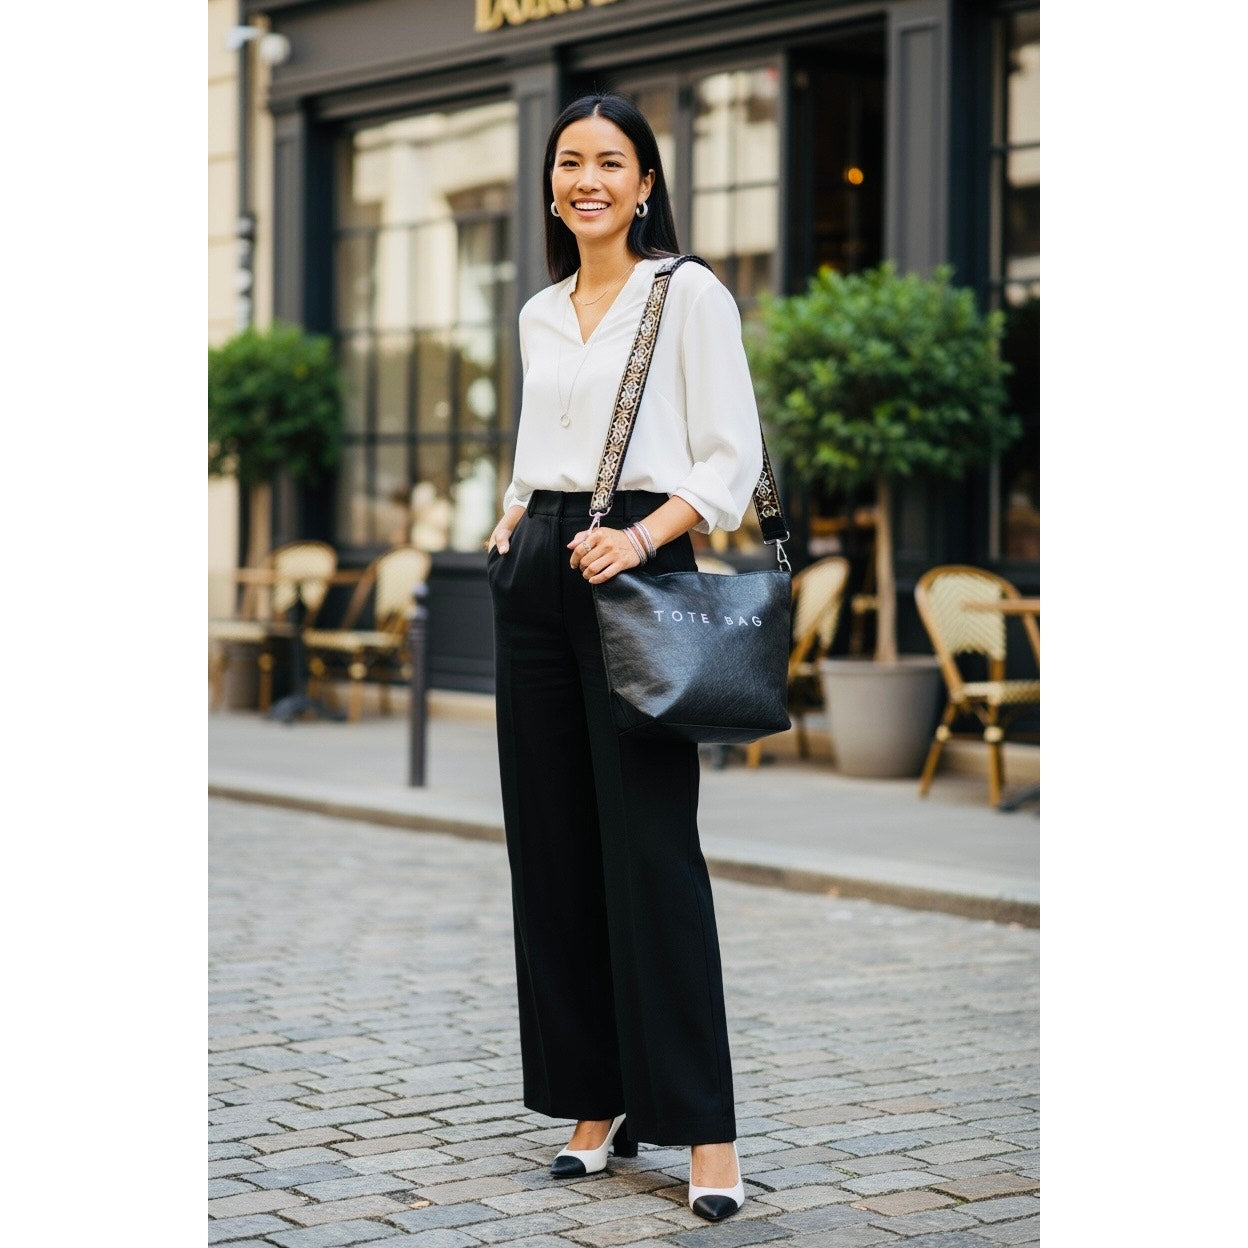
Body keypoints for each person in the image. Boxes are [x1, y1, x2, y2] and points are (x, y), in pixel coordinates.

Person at [485, 93, 764, 1223]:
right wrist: (510, 517)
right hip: (536, 572)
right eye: (569, 162)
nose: (587, 178)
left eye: (610, 161)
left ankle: (705, 1129)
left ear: (645, 182)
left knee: (651, 852)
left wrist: (642, 536)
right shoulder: (542, 311)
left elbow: (727, 460)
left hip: (636, 566)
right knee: (552, 853)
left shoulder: (685, 292)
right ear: (552, 185)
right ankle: (593, 1100)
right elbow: (535, 441)